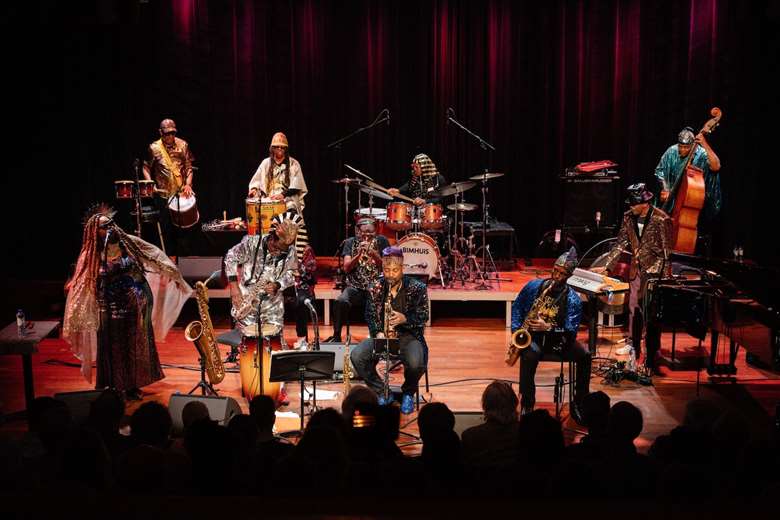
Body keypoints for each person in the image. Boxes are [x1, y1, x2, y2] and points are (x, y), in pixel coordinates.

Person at [63, 204, 192, 400]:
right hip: (109, 308)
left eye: (111, 224)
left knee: (135, 346)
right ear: (94, 232)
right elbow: (82, 280)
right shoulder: (91, 255)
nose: (110, 229)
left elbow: (154, 255)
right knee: (113, 348)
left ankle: (133, 385)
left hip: (133, 304)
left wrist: (174, 276)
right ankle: (116, 387)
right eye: (105, 227)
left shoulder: (127, 243)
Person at [596, 183, 672, 371]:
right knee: (634, 308)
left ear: (645, 202)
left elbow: (667, 252)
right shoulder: (628, 218)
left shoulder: (662, 219)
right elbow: (620, 244)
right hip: (636, 269)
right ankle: (633, 345)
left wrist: (665, 277)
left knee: (652, 312)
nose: (630, 207)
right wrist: (607, 268)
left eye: (634, 204)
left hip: (655, 272)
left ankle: (653, 350)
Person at [510, 247, 591, 423]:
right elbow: (517, 306)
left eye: (562, 274)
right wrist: (517, 331)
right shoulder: (534, 287)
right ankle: (527, 402)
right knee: (529, 356)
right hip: (534, 340)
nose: (556, 276)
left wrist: (548, 328)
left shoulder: (573, 300)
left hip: (559, 342)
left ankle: (579, 402)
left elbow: (570, 332)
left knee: (585, 356)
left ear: (569, 276)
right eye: (555, 270)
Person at [350, 246, 429, 414]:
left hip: (409, 336)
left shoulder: (417, 288)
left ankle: (408, 392)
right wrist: (378, 332)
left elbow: (424, 316)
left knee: (416, 363)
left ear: (402, 268)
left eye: (395, 270)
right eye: (386, 270)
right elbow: (370, 315)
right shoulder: (376, 287)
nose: (390, 274)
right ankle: (382, 391)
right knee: (357, 356)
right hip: (382, 335)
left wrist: (405, 318)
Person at [224, 211, 301, 340]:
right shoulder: (251, 243)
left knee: (274, 344)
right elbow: (231, 257)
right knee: (248, 346)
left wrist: (278, 284)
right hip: (246, 300)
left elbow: (292, 273)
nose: (279, 253)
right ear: (271, 240)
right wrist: (234, 287)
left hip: (273, 304)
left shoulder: (290, 251)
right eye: (277, 249)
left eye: (283, 251)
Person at [655, 126, 722, 251]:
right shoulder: (672, 151)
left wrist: (704, 143)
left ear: (692, 145)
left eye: (686, 147)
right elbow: (660, 171)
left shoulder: (701, 153)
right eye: (681, 146)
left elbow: (716, 166)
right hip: (672, 205)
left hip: (695, 210)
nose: (683, 149)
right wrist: (665, 189)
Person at [325, 218, 390, 343]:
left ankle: (377, 337)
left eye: (370, 232)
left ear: (375, 231)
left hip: (376, 287)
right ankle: (337, 336)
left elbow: (387, 267)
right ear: (358, 231)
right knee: (340, 301)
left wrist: (374, 254)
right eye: (363, 232)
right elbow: (346, 268)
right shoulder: (350, 242)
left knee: (377, 303)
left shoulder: (382, 241)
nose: (367, 235)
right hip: (355, 287)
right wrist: (359, 255)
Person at [247, 132, 309, 261]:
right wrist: (253, 189)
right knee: (260, 212)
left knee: (292, 210)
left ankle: (294, 257)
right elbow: (256, 180)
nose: (280, 149)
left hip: (288, 199)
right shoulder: (265, 163)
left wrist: (282, 195)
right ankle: (266, 257)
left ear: (286, 149)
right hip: (270, 199)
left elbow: (297, 185)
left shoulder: (293, 164)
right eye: (277, 147)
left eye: (282, 147)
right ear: (272, 148)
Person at [142, 118, 196, 257]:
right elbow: (146, 167)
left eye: (172, 133)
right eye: (167, 134)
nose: (170, 136)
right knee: (166, 231)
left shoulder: (183, 145)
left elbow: (189, 167)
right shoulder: (154, 148)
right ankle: (169, 261)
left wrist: (188, 185)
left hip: (181, 193)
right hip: (163, 195)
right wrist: (150, 184)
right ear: (160, 132)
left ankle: (185, 262)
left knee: (185, 230)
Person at [283, 242, 317, 350]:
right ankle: (274, 338)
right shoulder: (278, 248)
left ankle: (302, 339)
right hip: (282, 286)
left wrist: (296, 263)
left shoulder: (306, 249)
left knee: (301, 301)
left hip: (302, 287)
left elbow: (310, 273)